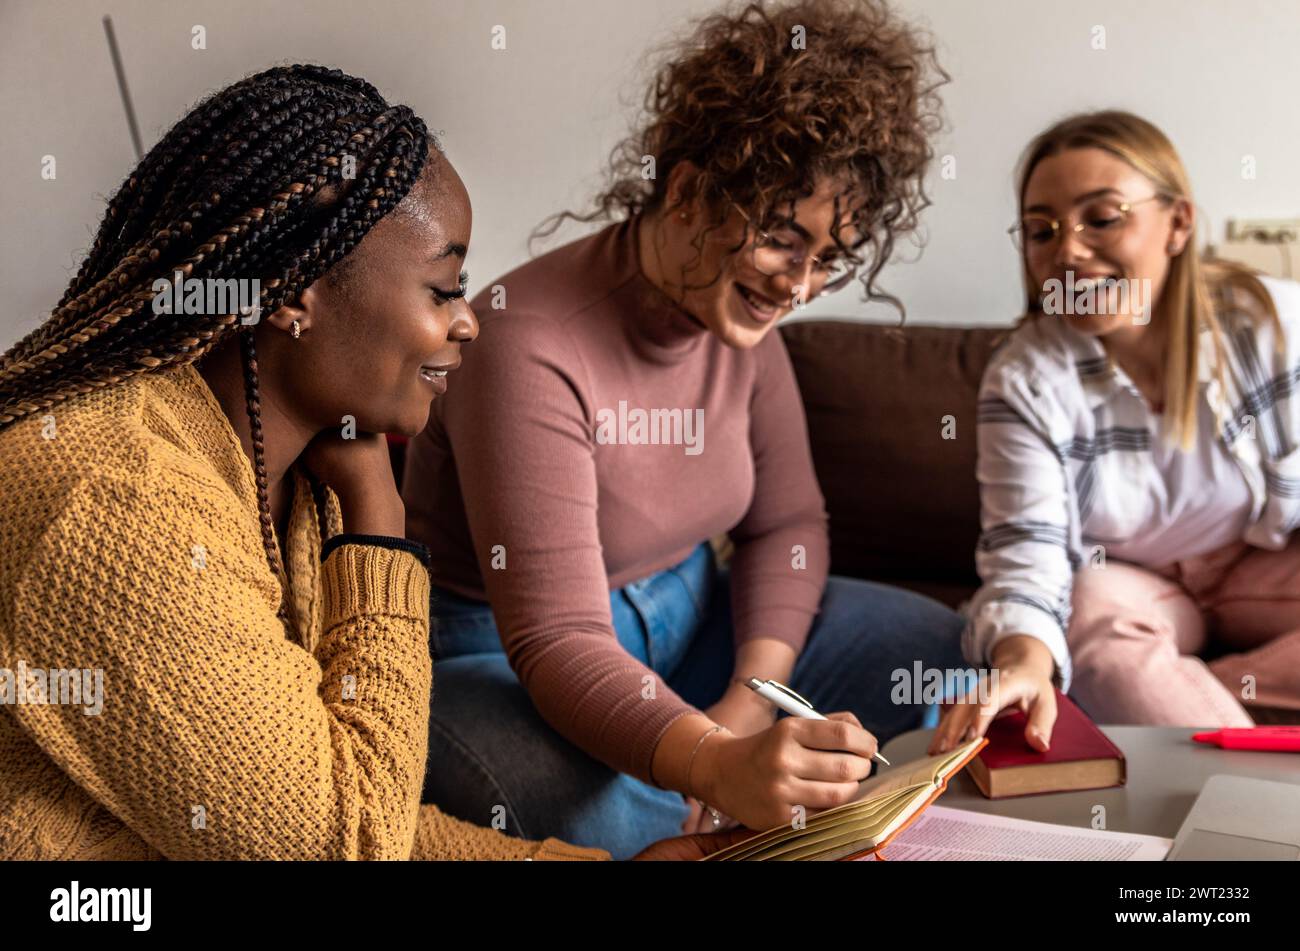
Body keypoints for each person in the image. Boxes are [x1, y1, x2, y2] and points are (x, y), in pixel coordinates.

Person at [0, 64, 736, 861]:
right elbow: (341, 846)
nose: (468, 324)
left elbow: (350, 798)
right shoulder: (118, 503)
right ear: (294, 294)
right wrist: (380, 528)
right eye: (442, 288)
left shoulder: (281, 473)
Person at [405, 0, 967, 858]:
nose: (801, 287)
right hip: (503, 658)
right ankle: (709, 824)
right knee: (584, 805)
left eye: (831, 258)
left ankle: (723, 812)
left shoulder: (739, 318)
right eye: (783, 241)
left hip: (692, 614)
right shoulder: (525, 339)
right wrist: (713, 763)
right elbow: (558, 639)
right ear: (691, 191)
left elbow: (787, 524)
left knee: (933, 644)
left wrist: (751, 696)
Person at [932, 110, 1300, 756]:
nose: (1068, 251)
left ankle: (1199, 701)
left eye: (1101, 218)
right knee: (1090, 609)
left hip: (1259, 560)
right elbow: (1027, 557)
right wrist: (1025, 660)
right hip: (1128, 584)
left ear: (1178, 223)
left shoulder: (1274, 324)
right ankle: (1250, 795)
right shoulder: (1026, 378)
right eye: (1042, 230)